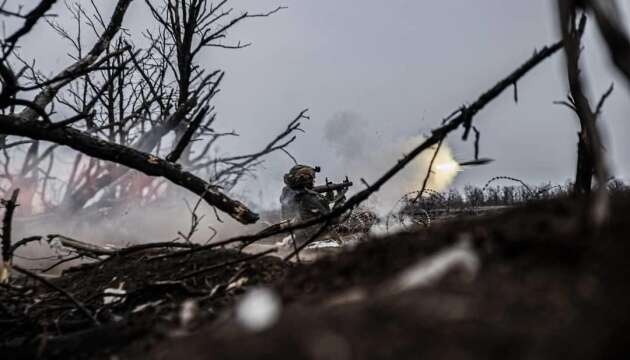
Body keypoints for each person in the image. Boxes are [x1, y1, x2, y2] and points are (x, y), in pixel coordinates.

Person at [279, 164, 346, 246]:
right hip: (318, 241)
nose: (313, 180)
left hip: (295, 241)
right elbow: (334, 219)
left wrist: (328, 194)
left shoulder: (287, 193)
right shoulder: (309, 197)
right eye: (311, 177)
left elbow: (316, 207)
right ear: (304, 179)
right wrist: (341, 198)